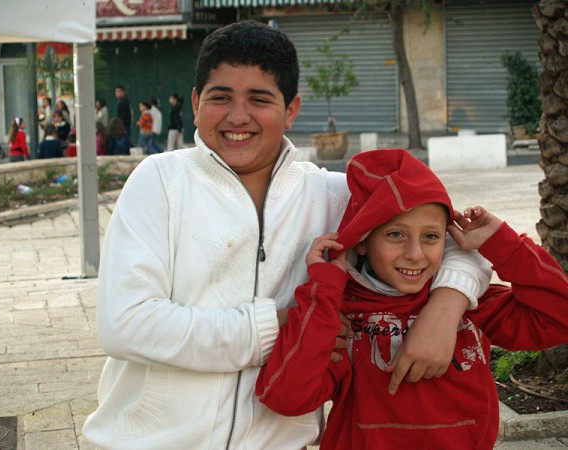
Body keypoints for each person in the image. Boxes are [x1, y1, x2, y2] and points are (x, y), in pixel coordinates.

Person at [82, 21, 490, 449]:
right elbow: (125, 325)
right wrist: (279, 327)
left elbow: (453, 239)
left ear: (291, 109)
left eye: (259, 99)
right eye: (221, 97)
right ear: (197, 103)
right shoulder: (160, 182)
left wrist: (445, 309)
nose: (237, 117)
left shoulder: (331, 194)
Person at [256, 149, 568, 450]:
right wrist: (323, 292)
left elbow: (559, 318)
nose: (415, 254)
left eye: (431, 236)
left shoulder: (470, 302)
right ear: (361, 241)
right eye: (396, 235)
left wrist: (503, 244)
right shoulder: (342, 314)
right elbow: (287, 398)